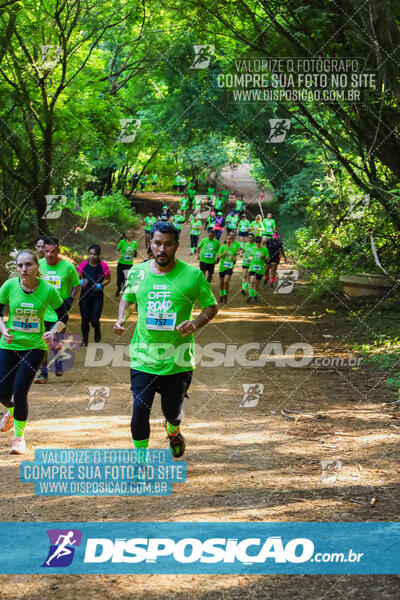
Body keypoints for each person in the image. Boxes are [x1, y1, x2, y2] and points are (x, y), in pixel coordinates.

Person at [113, 221, 218, 457]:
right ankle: (141, 462)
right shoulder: (138, 272)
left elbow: (211, 307)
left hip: (177, 358)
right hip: (143, 355)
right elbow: (128, 300)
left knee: (172, 411)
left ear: (176, 246)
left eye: (168, 244)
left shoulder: (192, 275)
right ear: (151, 243)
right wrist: (122, 318)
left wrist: (195, 324)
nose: (162, 249)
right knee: (140, 409)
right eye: (157, 243)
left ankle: (173, 431)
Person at [0, 249, 66, 453]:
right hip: (9, 344)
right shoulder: (10, 286)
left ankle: (19, 438)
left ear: (37, 266)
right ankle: (12, 411)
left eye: (28, 264)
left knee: (20, 391)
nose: (24, 269)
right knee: (2, 393)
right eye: (20, 265)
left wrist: (53, 331)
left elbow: (63, 315)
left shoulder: (47, 290)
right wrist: (3, 330)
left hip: (34, 346)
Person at [35, 237, 80, 383]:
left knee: (54, 343)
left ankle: (58, 360)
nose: (49, 255)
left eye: (52, 251)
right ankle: (43, 373)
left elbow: (76, 284)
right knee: (42, 343)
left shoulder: (68, 267)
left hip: (59, 313)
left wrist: (70, 299)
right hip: (41, 312)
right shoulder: (38, 265)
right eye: (46, 251)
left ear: (58, 251)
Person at [77, 245, 111, 345]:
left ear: (99, 255)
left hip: (97, 297)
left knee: (94, 320)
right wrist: (81, 282)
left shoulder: (103, 266)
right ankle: (85, 339)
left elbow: (108, 279)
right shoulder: (83, 265)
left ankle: (97, 328)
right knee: (85, 320)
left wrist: (101, 284)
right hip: (84, 296)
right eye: (90, 254)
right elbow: (76, 278)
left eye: (95, 254)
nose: (92, 256)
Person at [216, 232, 240, 303]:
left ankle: (225, 295)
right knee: (221, 283)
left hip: (229, 266)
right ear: (226, 240)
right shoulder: (222, 247)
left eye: (230, 239)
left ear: (231, 240)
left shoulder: (233, 248)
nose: (229, 240)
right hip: (222, 267)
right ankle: (221, 295)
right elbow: (218, 257)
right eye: (228, 239)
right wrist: (223, 254)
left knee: (226, 281)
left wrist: (235, 258)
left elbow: (235, 256)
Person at [116, 229, 138, 297]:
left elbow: (135, 252)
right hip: (121, 263)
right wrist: (119, 255)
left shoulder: (134, 243)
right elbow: (117, 250)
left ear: (132, 235)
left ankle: (124, 293)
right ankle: (119, 288)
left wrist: (135, 254)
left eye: (130, 233)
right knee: (119, 280)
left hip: (129, 264)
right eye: (127, 233)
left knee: (126, 279)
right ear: (125, 235)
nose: (128, 235)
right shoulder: (122, 242)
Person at [247, 236, 269, 303]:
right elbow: (249, 257)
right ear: (255, 242)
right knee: (252, 281)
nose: (258, 243)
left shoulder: (265, 249)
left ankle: (255, 296)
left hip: (260, 269)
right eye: (257, 241)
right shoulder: (252, 248)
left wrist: (264, 257)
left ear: (261, 242)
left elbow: (267, 259)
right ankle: (250, 297)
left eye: (259, 242)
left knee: (256, 284)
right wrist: (249, 258)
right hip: (252, 267)